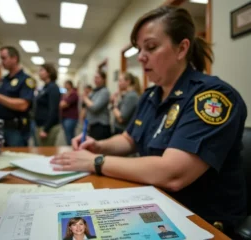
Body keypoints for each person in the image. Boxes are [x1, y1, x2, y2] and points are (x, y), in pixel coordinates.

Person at [51, 6, 247, 238]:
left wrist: (95, 161)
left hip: (200, 219)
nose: (141, 56)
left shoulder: (211, 97)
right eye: (139, 49)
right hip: (156, 202)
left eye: (151, 47)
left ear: (182, 48)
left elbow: (173, 174)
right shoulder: (151, 95)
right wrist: (100, 145)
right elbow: (128, 139)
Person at [0, 46, 35, 146]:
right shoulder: (3, 80)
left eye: (3, 58)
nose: (1, 61)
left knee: (16, 158)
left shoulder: (26, 80)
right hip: (0, 126)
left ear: (14, 58)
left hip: (16, 129)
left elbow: (23, 105)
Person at [34, 63, 61, 146]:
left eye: (42, 70)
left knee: (45, 153)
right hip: (41, 124)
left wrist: (46, 129)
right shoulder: (45, 87)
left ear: (49, 73)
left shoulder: (53, 87)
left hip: (48, 126)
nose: (39, 72)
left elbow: (53, 110)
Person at [82, 71, 111, 140]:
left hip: (101, 126)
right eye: (95, 78)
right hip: (92, 125)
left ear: (104, 79)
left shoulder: (104, 91)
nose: (95, 80)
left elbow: (95, 107)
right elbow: (86, 104)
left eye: (98, 78)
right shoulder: (95, 91)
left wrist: (85, 98)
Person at [60, 80, 79, 145]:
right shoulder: (65, 94)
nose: (65, 86)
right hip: (64, 117)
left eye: (66, 84)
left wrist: (62, 103)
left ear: (70, 85)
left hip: (71, 118)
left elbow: (63, 105)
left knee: (70, 135)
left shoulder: (73, 94)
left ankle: (72, 148)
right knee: (67, 134)